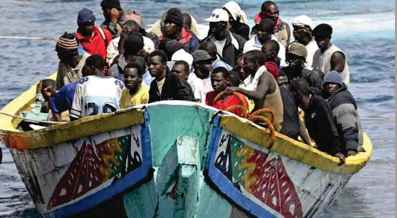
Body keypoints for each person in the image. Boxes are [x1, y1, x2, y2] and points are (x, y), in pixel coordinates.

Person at [290, 78, 345, 161]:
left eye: (300, 101)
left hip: (333, 147)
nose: (300, 106)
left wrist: (336, 151)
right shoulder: (307, 108)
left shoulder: (319, 104)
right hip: (321, 146)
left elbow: (331, 128)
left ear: (303, 95)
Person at [227, 50, 284, 130]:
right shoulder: (251, 77)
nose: (243, 66)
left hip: (270, 123)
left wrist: (238, 89)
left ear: (256, 63)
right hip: (259, 119)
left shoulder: (266, 76)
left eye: (246, 63)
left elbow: (259, 95)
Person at [70, 55, 124, 120]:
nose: (83, 69)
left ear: (92, 68)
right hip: (113, 127)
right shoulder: (118, 84)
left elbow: (74, 116)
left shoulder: (83, 83)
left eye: (86, 67)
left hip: (89, 127)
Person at [322, 71, 362, 156]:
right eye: (327, 83)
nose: (329, 85)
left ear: (339, 85)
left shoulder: (342, 102)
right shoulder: (331, 98)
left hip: (347, 148)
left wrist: (351, 150)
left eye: (333, 83)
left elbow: (349, 128)